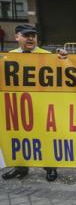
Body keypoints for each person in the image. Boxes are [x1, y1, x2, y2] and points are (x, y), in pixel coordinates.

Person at [2, 24, 57, 182]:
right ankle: (20, 167)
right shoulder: (10, 56)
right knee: (18, 136)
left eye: (33, 35)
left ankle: (50, 167)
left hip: (41, 104)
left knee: (45, 136)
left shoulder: (47, 55)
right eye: (26, 35)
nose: (31, 38)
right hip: (19, 105)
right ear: (17, 37)